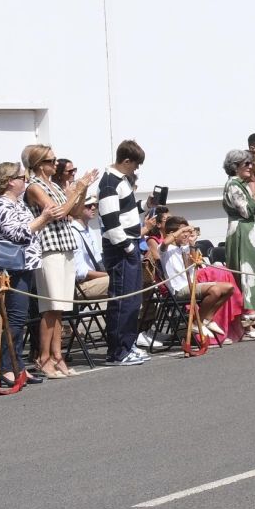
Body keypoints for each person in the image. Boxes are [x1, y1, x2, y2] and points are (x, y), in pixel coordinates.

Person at [23, 143, 97, 378]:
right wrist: (77, 189)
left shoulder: (53, 185)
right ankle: (44, 357)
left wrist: (82, 189)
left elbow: (74, 212)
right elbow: (57, 212)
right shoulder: (34, 186)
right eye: (50, 161)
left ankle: (58, 356)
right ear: (38, 164)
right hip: (49, 249)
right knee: (50, 308)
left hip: (65, 246)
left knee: (61, 308)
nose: (55, 164)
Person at [0, 162, 51, 385]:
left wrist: (42, 220)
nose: (26, 180)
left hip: (25, 264)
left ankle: (18, 365)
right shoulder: (2, 204)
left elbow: (30, 230)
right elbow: (17, 234)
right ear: (9, 181)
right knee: (13, 318)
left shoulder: (18, 203)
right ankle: (7, 367)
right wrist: (43, 217)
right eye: (22, 177)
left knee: (20, 317)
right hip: (11, 267)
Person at [96, 140, 148, 365]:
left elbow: (126, 212)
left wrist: (146, 205)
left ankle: (128, 343)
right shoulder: (109, 182)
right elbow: (110, 220)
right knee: (122, 299)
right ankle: (118, 351)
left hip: (129, 243)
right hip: (121, 248)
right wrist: (126, 246)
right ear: (126, 160)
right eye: (135, 165)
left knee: (133, 299)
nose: (136, 169)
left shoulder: (121, 181)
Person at [158, 217, 235, 342]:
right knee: (215, 291)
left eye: (187, 232)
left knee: (229, 288)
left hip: (193, 284)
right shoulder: (165, 250)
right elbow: (165, 243)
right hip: (179, 289)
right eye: (183, 232)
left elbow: (193, 264)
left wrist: (192, 244)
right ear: (172, 233)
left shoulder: (184, 248)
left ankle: (206, 319)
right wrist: (182, 230)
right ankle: (196, 323)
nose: (186, 235)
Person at [221, 149, 255, 331]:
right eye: (246, 164)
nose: (251, 167)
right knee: (246, 270)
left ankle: (253, 310)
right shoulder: (233, 185)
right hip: (241, 230)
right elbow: (246, 210)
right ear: (235, 167)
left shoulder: (241, 184)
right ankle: (247, 310)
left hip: (251, 229)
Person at [70, 199, 109, 301]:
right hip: (81, 286)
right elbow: (81, 273)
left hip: (94, 280)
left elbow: (98, 261)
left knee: (133, 278)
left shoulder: (90, 230)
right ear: (77, 208)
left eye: (94, 204)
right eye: (88, 205)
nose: (93, 207)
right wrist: (108, 275)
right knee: (124, 281)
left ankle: (148, 313)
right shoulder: (73, 232)